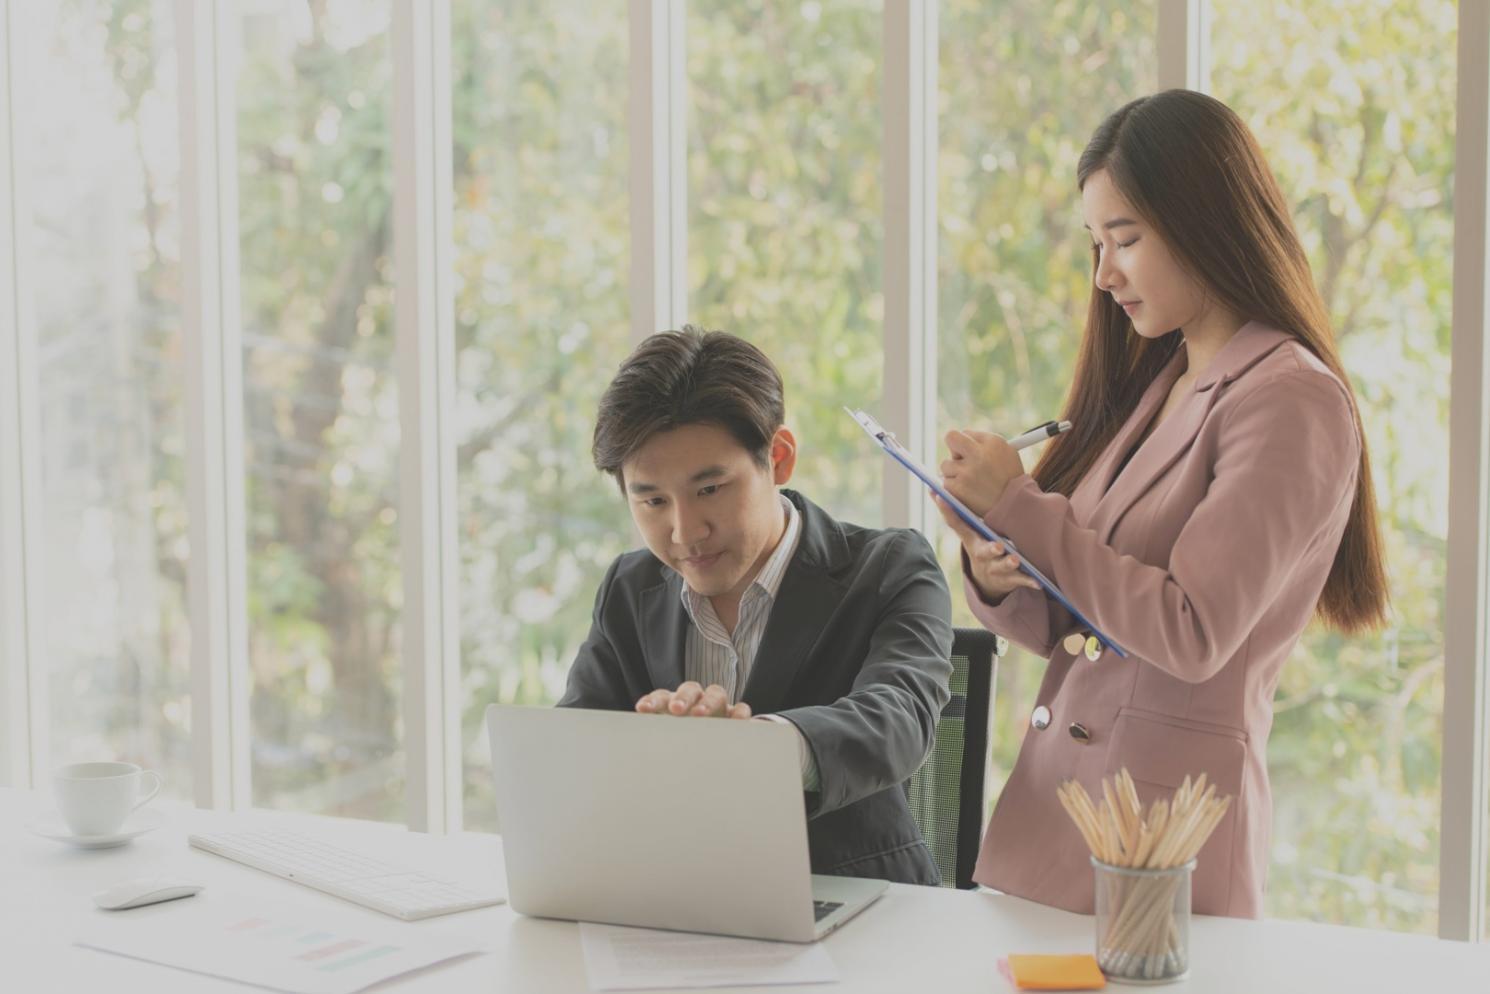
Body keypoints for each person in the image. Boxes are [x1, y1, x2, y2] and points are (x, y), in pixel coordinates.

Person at [935, 89, 1388, 918]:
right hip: (1059, 830)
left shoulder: (1291, 399)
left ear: (1204, 223)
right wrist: (994, 564)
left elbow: (1190, 630)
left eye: (1125, 240)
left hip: (1162, 852)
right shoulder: (1163, 384)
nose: (1103, 275)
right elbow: (1085, 633)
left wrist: (1025, 506)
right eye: (1095, 246)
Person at [559, 327, 954, 885]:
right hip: (672, 901)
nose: (685, 532)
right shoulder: (630, 586)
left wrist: (760, 751)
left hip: (853, 905)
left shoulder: (891, 567)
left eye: (710, 489)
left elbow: (900, 718)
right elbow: (573, 746)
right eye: (651, 500)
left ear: (780, 457)